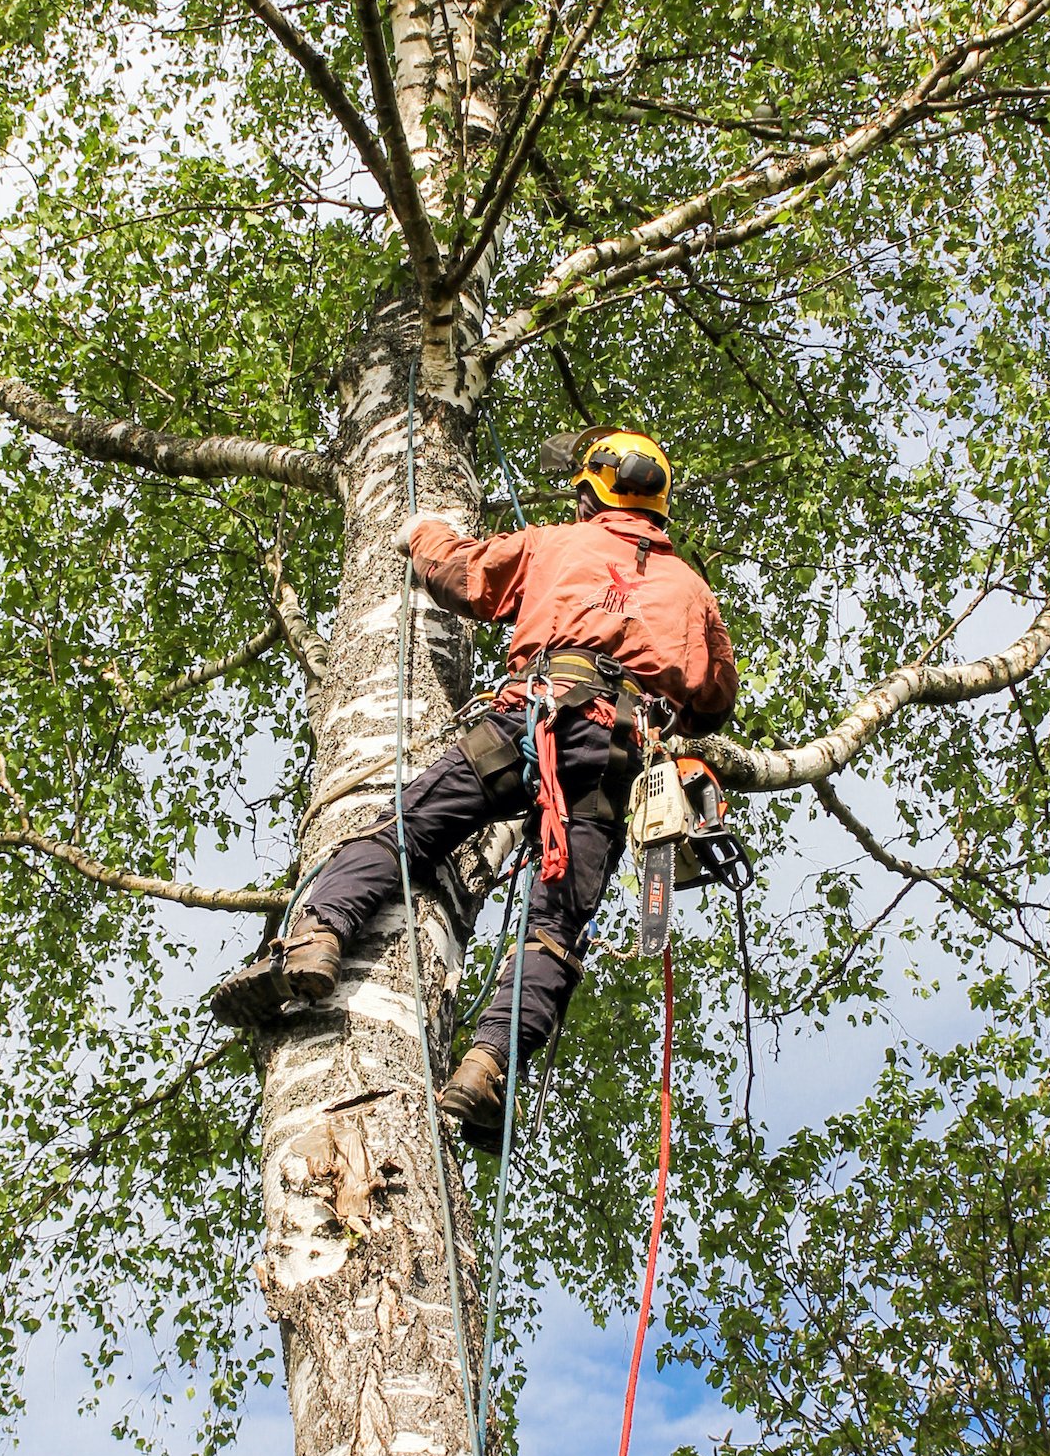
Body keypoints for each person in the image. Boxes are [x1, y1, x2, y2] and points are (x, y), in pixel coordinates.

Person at [211, 426, 738, 1142]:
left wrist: (420, 533)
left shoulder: (556, 543)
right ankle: (487, 1067)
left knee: (406, 831)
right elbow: (713, 699)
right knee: (553, 932)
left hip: (528, 720)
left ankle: (314, 941)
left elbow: (466, 577)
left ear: (591, 493)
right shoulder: (692, 589)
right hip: (614, 761)